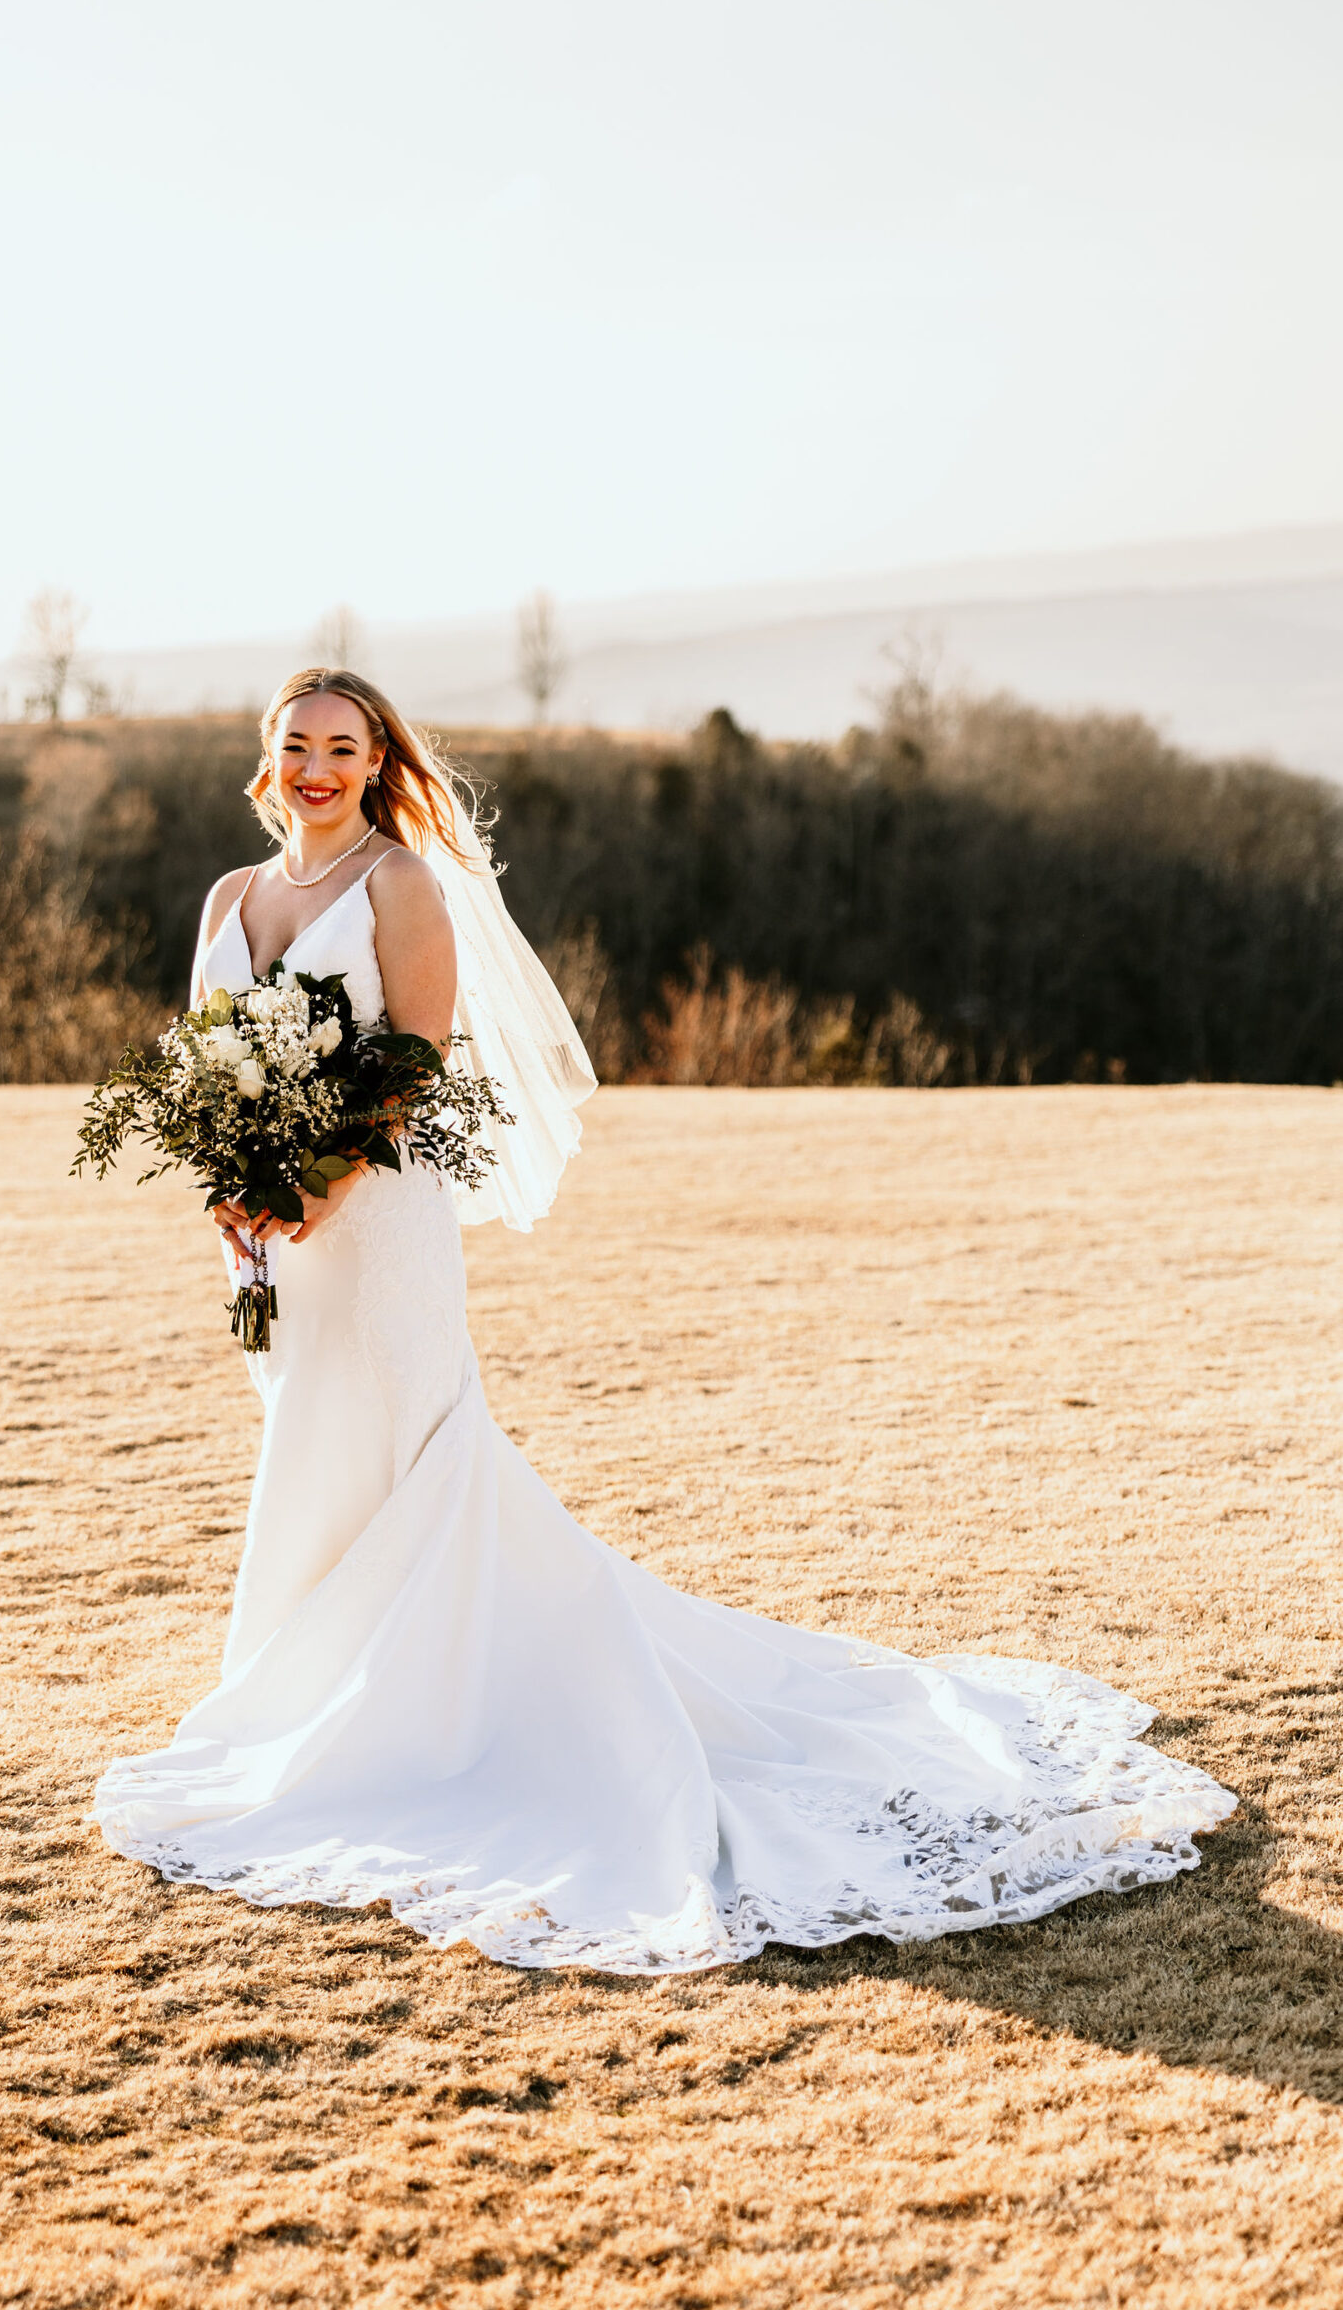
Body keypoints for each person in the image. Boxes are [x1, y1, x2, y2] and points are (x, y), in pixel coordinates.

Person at [94, 666, 1234, 1973]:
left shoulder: (401, 887)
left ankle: (430, 1721)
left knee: (410, 1453)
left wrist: (312, 1184)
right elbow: (207, 1057)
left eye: (341, 748)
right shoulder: (231, 900)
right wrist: (230, 1190)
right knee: (312, 1453)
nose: (314, 767)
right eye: (297, 744)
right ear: (267, 752)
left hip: (373, 1224)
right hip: (277, 1245)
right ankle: (301, 1700)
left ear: (372, 761)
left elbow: (411, 1065)